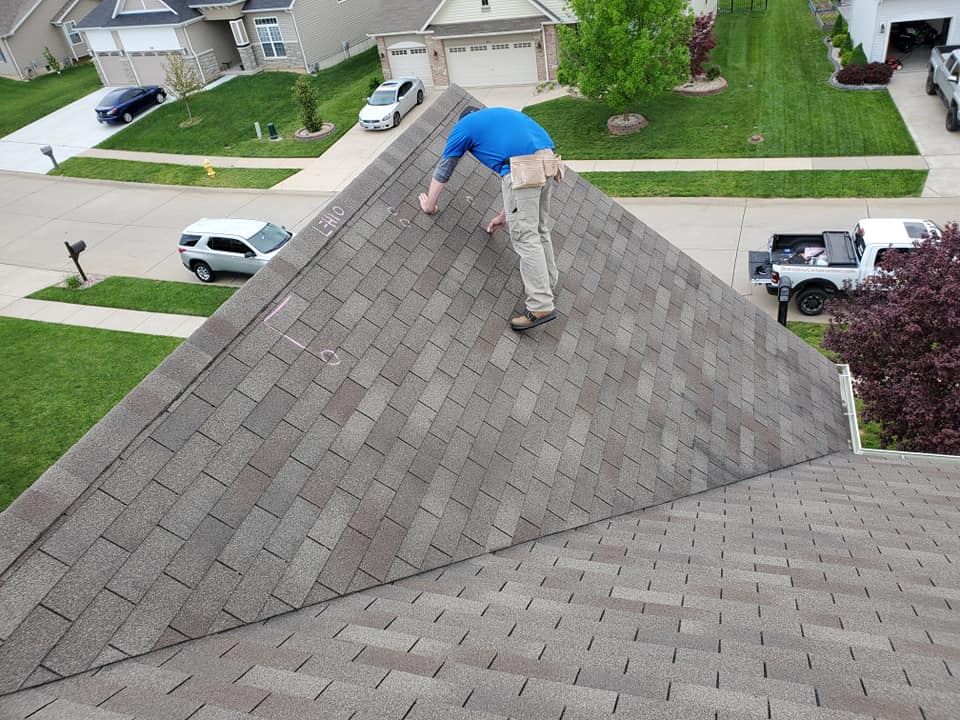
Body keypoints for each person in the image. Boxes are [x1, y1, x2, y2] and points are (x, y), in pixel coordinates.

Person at [419, 106, 562, 331]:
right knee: (539, 229)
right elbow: (522, 179)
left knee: (525, 237)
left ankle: (541, 304)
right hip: (548, 159)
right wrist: (504, 215)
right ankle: (548, 283)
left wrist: (429, 205)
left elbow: (445, 169)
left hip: (522, 169)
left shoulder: (463, 127)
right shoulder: (498, 116)